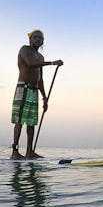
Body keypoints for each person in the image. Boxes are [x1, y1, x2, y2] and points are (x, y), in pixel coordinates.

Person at [11, 29, 63, 159]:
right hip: (23, 88)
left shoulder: (41, 57)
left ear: (43, 42)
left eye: (40, 38)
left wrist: (44, 97)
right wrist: (52, 63)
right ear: (30, 39)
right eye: (35, 37)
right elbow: (30, 63)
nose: (38, 40)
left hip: (34, 90)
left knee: (31, 122)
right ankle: (15, 151)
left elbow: (40, 79)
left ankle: (29, 151)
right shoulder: (24, 50)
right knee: (20, 120)